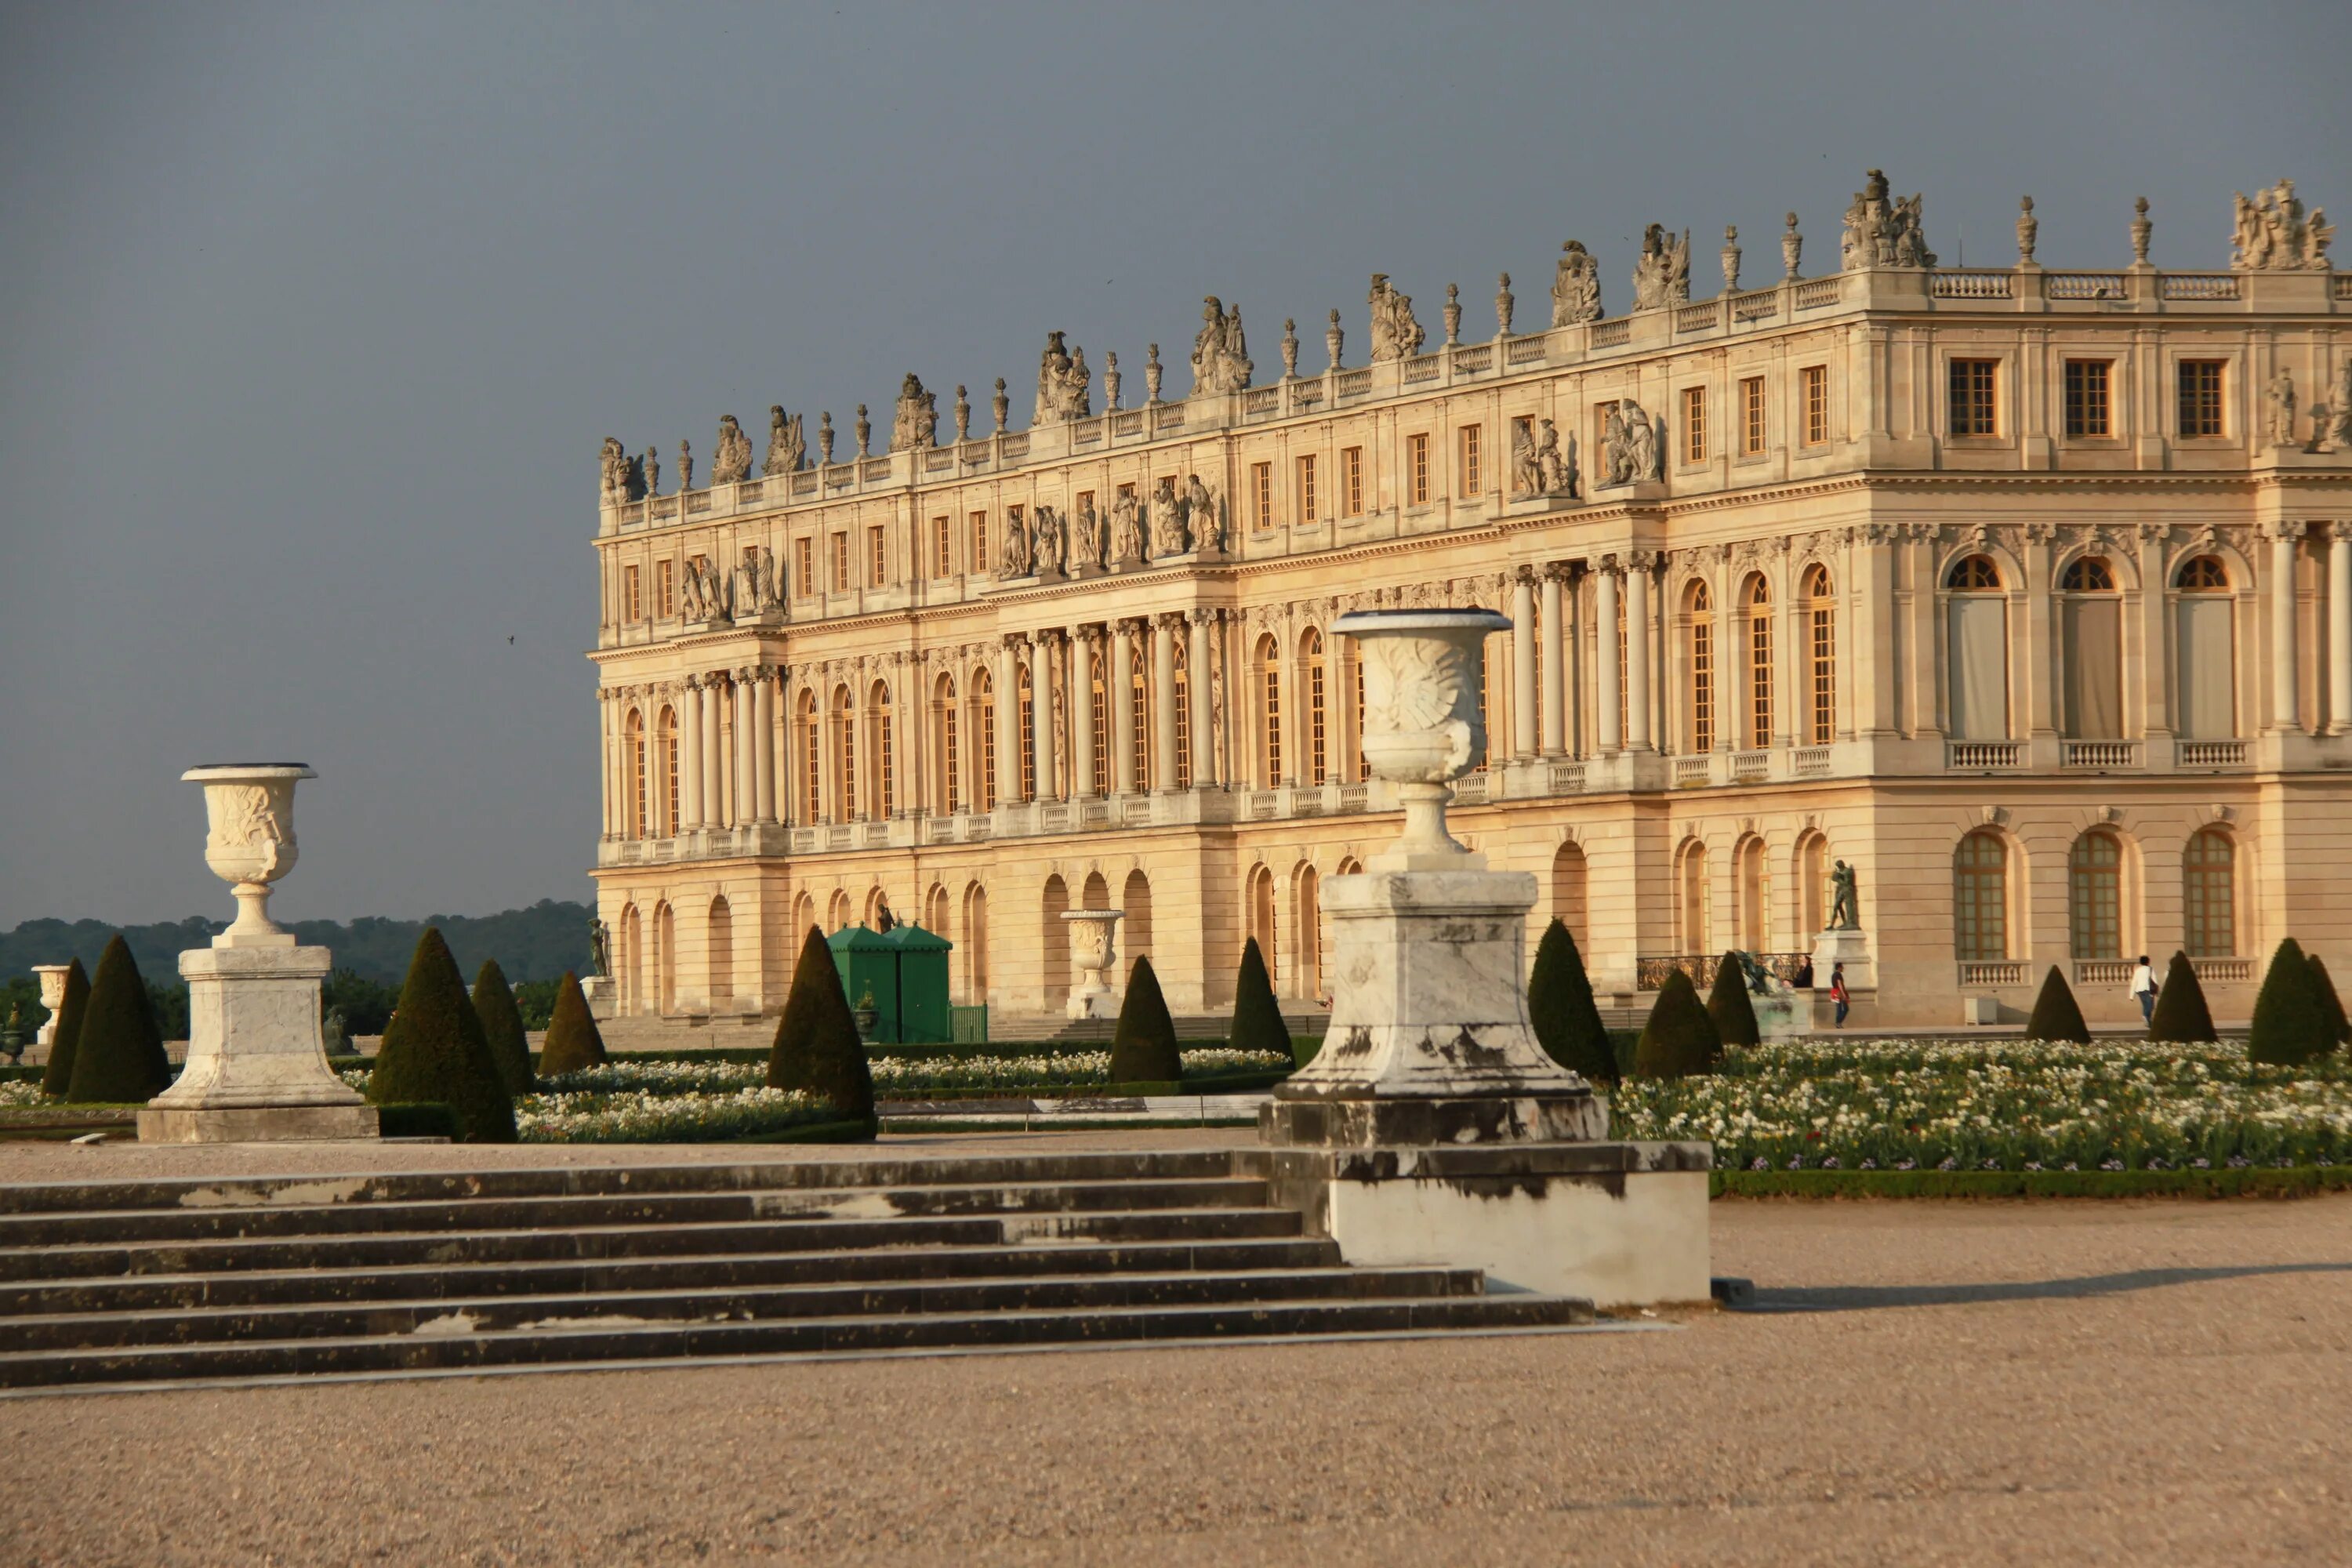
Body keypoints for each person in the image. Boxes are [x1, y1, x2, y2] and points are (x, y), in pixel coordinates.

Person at [2129, 955, 2158, 1025]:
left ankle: (2147, 1021)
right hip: (2148, 990)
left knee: (2145, 1005)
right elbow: (2155, 981)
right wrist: (2157, 991)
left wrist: (2131, 996)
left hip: (2139, 990)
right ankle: (2145, 1016)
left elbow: (2134, 982)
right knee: (2150, 1006)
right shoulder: (2150, 969)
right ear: (2148, 962)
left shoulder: (2138, 971)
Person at [1829, 963, 1849, 1029]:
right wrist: (1844, 994)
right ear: (1839, 968)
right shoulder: (1838, 974)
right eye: (1842, 967)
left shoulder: (1833, 974)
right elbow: (1839, 984)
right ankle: (1838, 1022)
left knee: (1839, 1008)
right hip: (1839, 993)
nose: (1843, 968)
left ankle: (1838, 1023)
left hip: (1834, 992)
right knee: (1844, 1008)